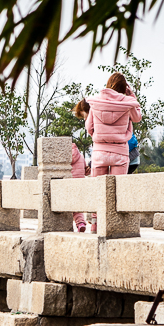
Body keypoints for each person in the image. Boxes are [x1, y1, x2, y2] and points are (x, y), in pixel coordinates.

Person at [85, 75, 141, 235]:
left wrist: (100, 138)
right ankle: (113, 227)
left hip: (99, 153)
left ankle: (95, 225)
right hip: (120, 153)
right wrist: (132, 95)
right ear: (125, 88)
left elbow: (89, 127)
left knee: (98, 190)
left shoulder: (96, 102)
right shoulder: (127, 103)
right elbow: (137, 117)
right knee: (117, 191)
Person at [71, 98, 92, 231]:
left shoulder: (65, 157)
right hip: (80, 183)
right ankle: (81, 223)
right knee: (77, 204)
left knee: (71, 206)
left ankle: (80, 224)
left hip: (69, 183)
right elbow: (86, 171)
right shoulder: (79, 155)